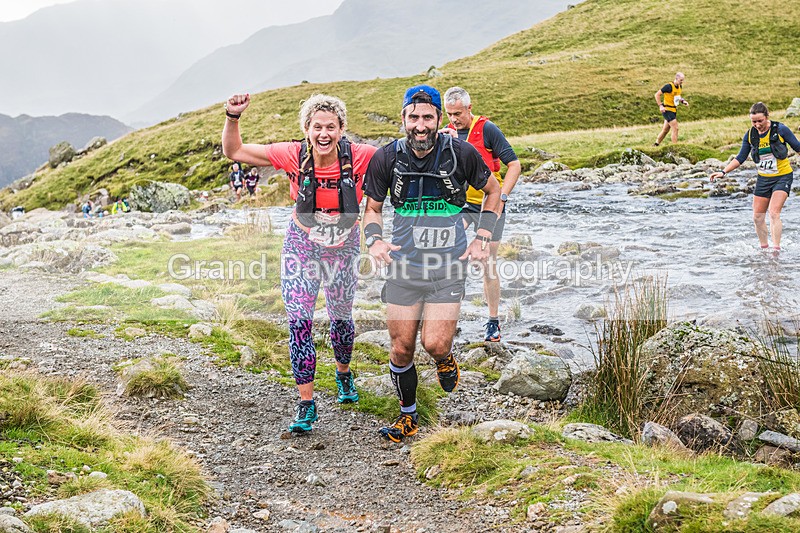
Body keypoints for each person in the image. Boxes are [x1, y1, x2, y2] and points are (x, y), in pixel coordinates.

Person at [222, 92, 377, 433]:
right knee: (299, 321)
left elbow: (404, 161)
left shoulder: (362, 156)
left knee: (341, 317)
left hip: (344, 247)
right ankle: (306, 403)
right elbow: (235, 151)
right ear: (306, 129)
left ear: (341, 129)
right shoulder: (293, 153)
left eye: (331, 127)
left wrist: (443, 143)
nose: (324, 134)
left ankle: (343, 373)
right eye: (317, 127)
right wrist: (233, 117)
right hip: (301, 245)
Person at [363, 85, 501, 442]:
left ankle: (444, 358)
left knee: (435, 344)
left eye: (428, 117)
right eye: (414, 117)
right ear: (403, 119)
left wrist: (482, 236)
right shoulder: (386, 158)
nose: (420, 125)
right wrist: (374, 240)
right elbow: (372, 209)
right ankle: (408, 416)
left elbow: (494, 191)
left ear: (440, 119)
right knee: (401, 348)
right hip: (403, 267)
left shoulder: (461, 153)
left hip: (447, 268)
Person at [442, 86, 521, 342]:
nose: (453, 119)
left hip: (490, 203)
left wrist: (503, 197)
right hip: (461, 205)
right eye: (449, 113)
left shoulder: (487, 129)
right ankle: (447, 315)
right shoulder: (447, 133)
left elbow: (514, 165)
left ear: (469, 108)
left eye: (458, 113)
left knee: (488, 261)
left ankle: (493, 321)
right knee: (450, 253)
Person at [710, 102, 800, 252]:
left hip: (782, 176)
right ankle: (764, 249)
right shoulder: (750, 135)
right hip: (763, 178)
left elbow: (798, 148)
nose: (757, 125)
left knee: (774, 213)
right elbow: (740, 157)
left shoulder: (780, 129)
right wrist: (723, 172)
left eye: (760, 121)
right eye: (754, 122)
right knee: (757, 217)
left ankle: (776, 251)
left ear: (767, 117)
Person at [654, 72, 689, 146]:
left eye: (683, 80)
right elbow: (657, 94)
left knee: (665, 130)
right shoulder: (668, 86)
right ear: (676, 78)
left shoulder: (680, 86)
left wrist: (683, 101)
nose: (682, 82)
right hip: (667, 110)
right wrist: (660, 106)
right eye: (681, 80)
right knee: (675, 128)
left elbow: (677, 96)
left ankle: (655, 145)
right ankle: (675, 147)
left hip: (673, 110)